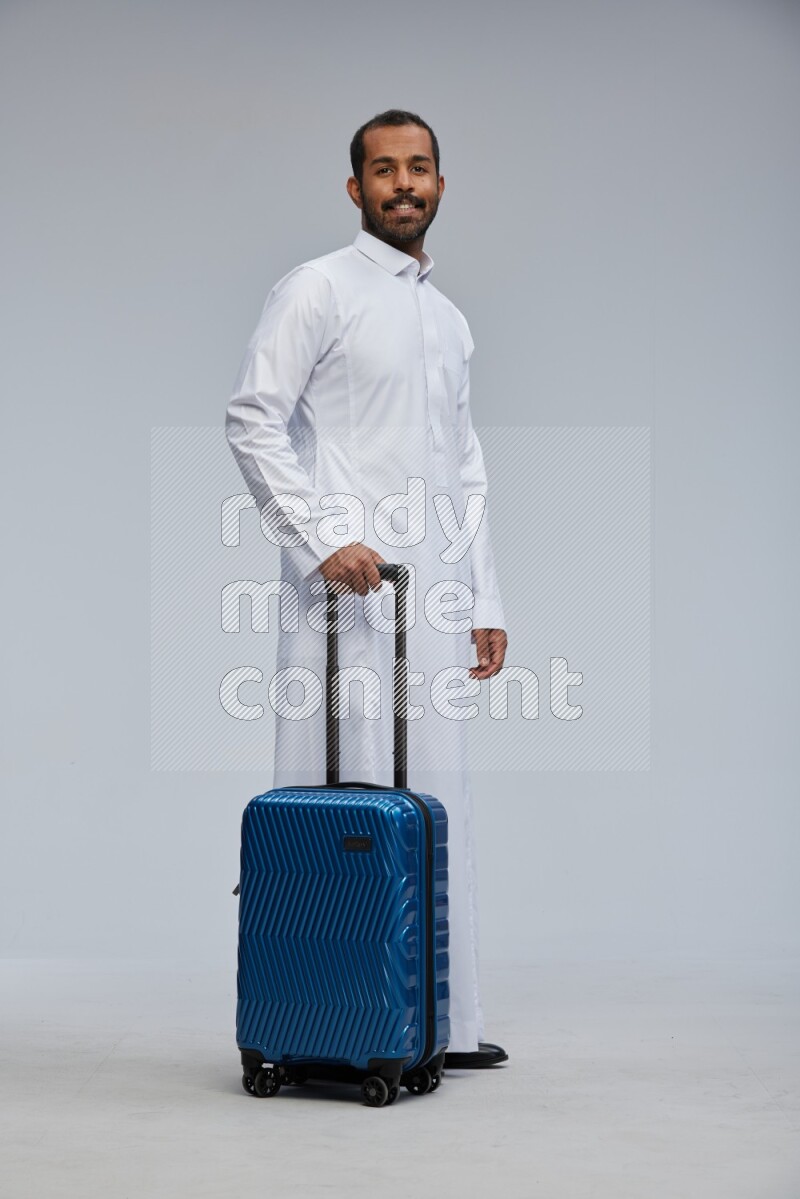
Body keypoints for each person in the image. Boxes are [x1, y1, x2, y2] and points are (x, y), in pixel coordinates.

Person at [226, 109, 508, 1068]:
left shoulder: (448, 316)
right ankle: (326, 1025)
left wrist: (484, 600)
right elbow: (253, 419)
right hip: (343, 599)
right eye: (383, 169)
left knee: (433, 798)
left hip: (428, 602)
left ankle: (433, 1021)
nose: (403, 184)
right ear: (355, 189)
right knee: (336, 796)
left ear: (439, 184)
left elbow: (464, 467)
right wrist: (320, 540)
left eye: (419, 168)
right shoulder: (319, 288)